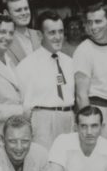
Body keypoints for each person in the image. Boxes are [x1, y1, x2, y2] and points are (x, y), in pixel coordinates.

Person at [15, 10, 76, 149]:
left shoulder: (69, 62)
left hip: (68, 118)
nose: (58, 37)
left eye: (60, 31)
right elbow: (22, 102)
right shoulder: (26, 65)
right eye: (52, 33)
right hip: (42, 122)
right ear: (40, 35)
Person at [73, 1, 107, 144]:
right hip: (98, 110)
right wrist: (90, 124)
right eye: (90, 22)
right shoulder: (83, 50)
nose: (93, 27)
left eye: (98, 21)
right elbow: (81, 95)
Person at [4, 0, 44, 65]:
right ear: (7, 14)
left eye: (26, 8)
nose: (24, 13)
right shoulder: (2, 41)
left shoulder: (39, 35)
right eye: (18, 10)